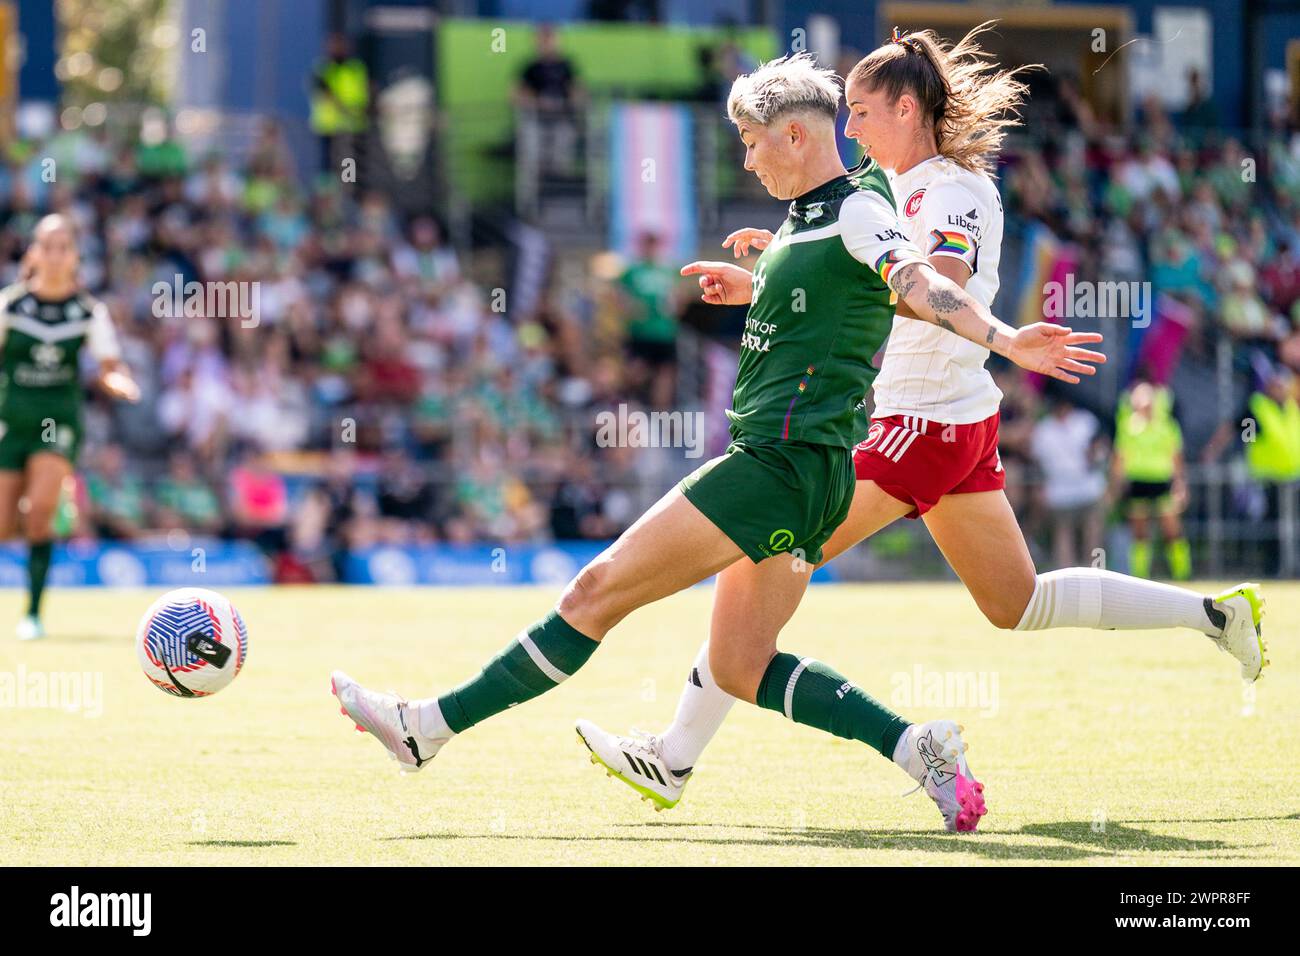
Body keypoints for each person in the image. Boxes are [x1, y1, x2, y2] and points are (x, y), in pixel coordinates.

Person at [332, 52, 1105, 832]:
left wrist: (1006, 340)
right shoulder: (814, 212)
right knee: (739, 664)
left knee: (593, 592)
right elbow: (848, 289)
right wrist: (762, 280)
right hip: (813, 470)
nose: (746, 157)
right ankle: (917, 748)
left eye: (751, 140)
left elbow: (921, 284)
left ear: (797, 137)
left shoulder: (863, 209)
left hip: (777, 464)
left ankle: (425, 728)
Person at [575, 24, 1268, 815]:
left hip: (919, 425)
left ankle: (677, 756)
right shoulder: (891, 186)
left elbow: (934, 286)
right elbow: (868, 269)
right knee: (1019, 603)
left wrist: (1001, 336)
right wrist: (776, 270)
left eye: (863, 112)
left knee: (755, 566)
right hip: (949, 424)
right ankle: (1214, 615)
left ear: (907, 109)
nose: (852, 129)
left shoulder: (954, 191)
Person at [0, 214, 139, 639]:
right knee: (6, 526)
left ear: (75, 256)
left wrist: (118, 382)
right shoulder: (11, 305)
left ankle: (34, 614)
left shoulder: (88, 312)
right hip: (11, 420)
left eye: (65, 247)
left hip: (57, 420)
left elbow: (110, 366)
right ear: (35, 253)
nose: (57, 255)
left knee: (39, 512)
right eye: (49, 246)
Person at [1111, 381, 1191, 579]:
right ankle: (1139, 576)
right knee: (1139, 533)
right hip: (1138, 483)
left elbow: (1176, 457)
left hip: (1161, 482)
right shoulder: (1128, 427)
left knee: (1172, 530)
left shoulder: (1166, 426)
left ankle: (1183, 574)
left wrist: (1180, 484)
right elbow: (1120, 457)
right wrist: (1115, 485)